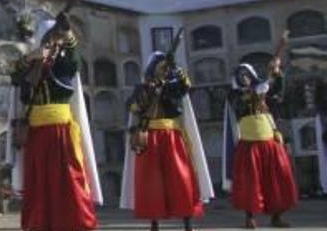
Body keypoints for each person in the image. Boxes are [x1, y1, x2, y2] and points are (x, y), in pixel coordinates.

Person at [15, 14, 100, 231]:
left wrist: (68, 33)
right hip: (36, 131)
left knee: (69, 179)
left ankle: (76, 222)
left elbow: (73, 62)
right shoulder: (32, 62)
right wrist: (33, 57)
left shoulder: (62, 64)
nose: (55, 43)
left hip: (61, 130)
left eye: (57, 39)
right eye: (51, 39)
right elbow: (16, 77)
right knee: (39, 181)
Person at [121, 51, 212, 231]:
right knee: (150, 181)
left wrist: (176, 69)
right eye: (160, 66)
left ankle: (187, 222)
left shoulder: (172, 86)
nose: (163, 69)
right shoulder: (143, 87)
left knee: (181, 178)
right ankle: (154, 224)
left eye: (165, 66)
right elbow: (133, 106)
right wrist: (148, 92)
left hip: (171, 136)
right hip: (149, 136)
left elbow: (185, 86)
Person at [226, 62, 297, 229]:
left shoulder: (263, 90)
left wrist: (277, 74)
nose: (244, 77)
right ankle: (250, 218)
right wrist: (254, 92)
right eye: (241, 75)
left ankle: (276, 216)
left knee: (275, 180)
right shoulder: (234, 94)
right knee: (250, 183)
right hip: (250, 143)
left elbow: (277, 94)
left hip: (269, 140)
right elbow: (239, 104)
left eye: (247, 74)